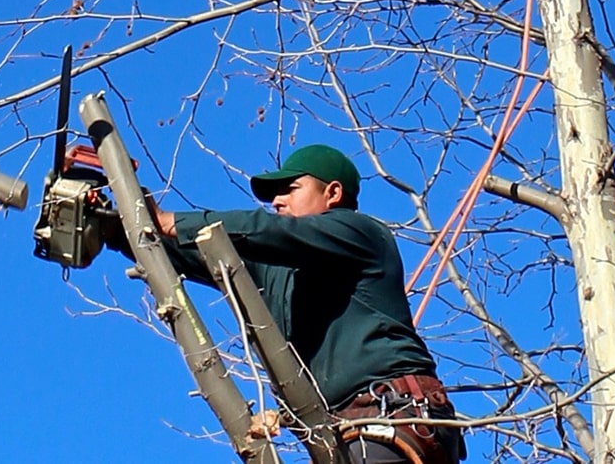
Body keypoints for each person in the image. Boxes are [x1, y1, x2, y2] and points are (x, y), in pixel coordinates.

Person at [127, 143, 464, 464]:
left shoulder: (360, 232)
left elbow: (269, 231)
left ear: (332, 193)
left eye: (290, 189)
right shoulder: (275, 269)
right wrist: (118, 219)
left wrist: (173, 221)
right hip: (348, 432)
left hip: (392, 414)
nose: (277, 201)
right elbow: (187, 251)